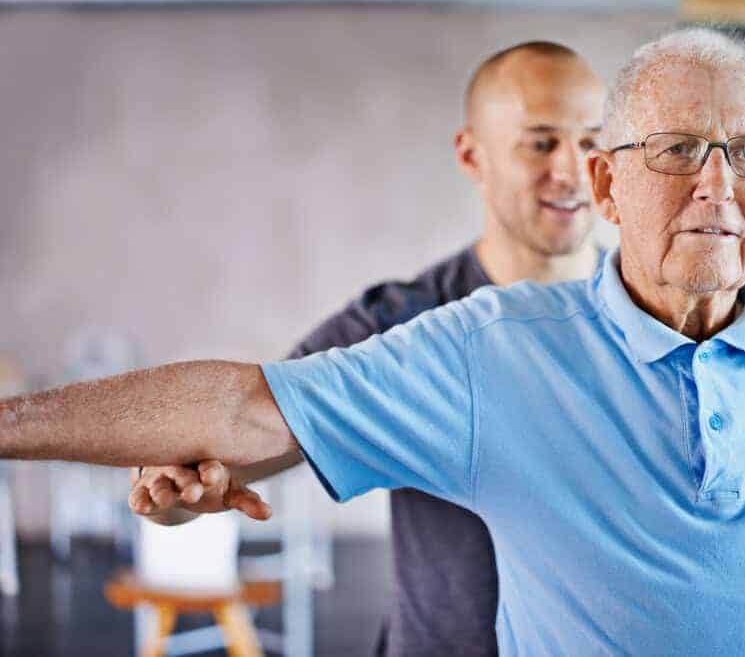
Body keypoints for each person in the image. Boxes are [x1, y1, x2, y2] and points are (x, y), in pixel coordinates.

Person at [5, 25, 745, 656]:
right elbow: (245, 410)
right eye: (675, 150)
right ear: (611, 186)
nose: (715, 184)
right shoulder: (479, 344)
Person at [128, 40, 606, 657]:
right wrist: (181, 494)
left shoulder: (650, 314)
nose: (571, 170)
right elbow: (262, 425)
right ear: (472, 155)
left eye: (592, 141)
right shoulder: (403, 318)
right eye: (540, 142)